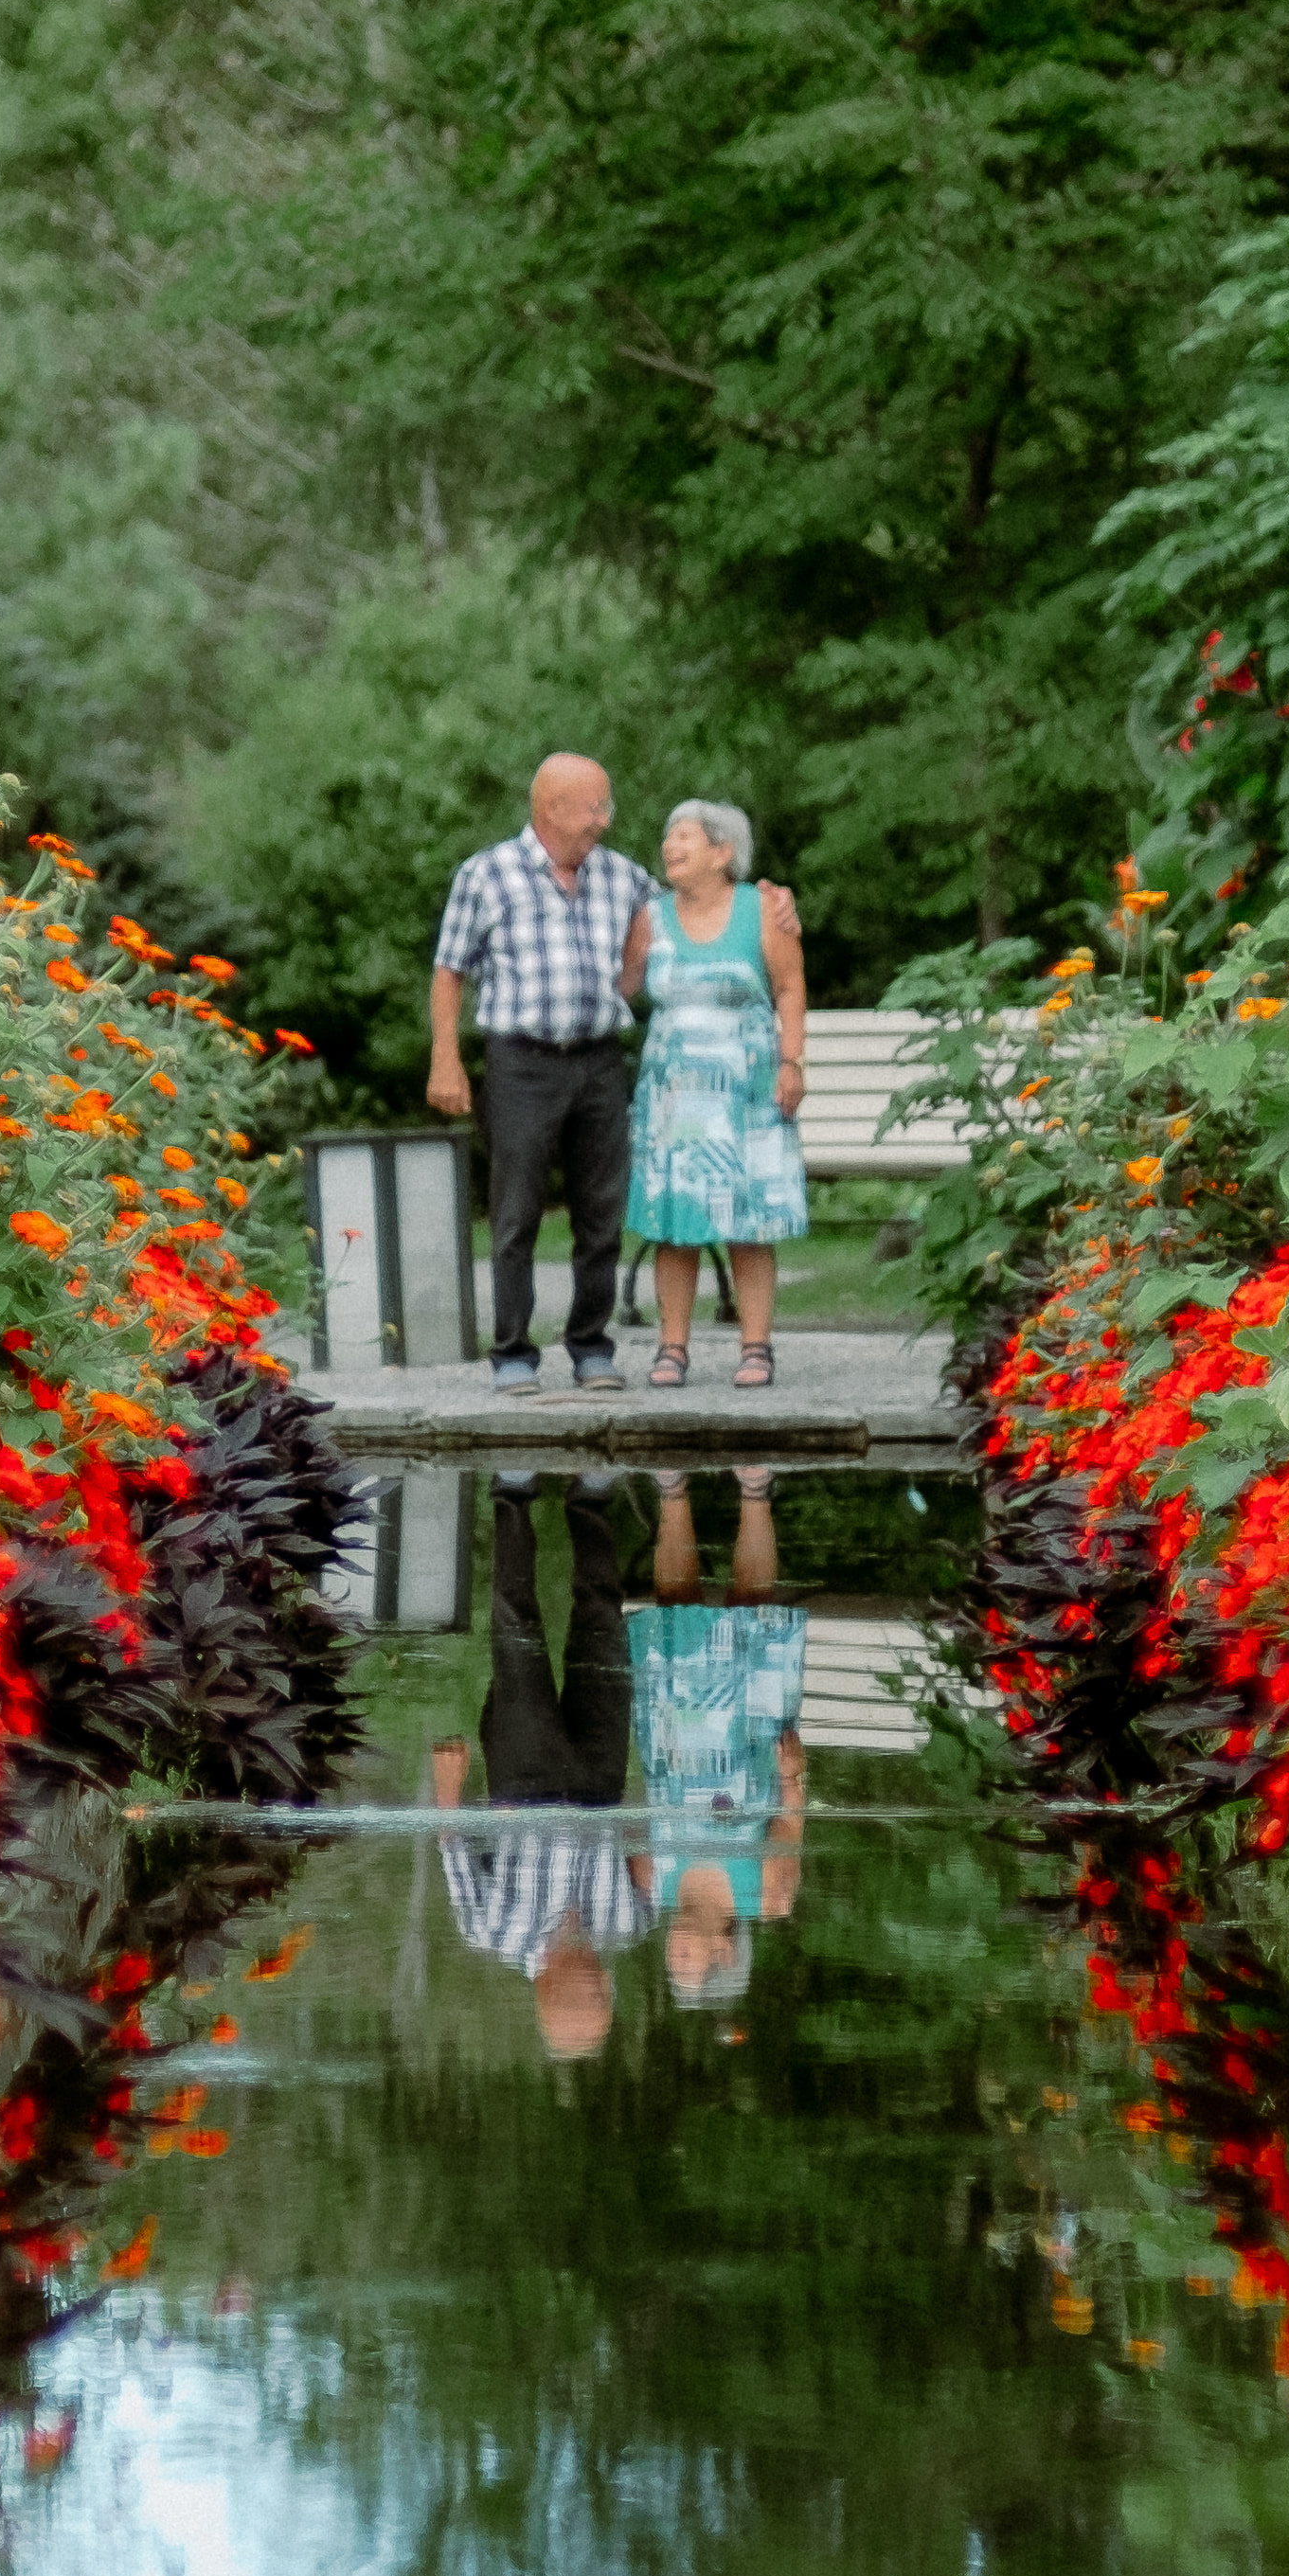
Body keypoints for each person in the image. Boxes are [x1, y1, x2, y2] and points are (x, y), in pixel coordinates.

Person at [423, 754, 655, 1395]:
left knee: (600, 1211)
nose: (606, 820)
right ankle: (513, 1352)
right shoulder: (487, 874)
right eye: (595, 807)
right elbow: (449, 970)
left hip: (599, 1058)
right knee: (516, 1211)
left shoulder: (624, 877)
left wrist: (769, 905)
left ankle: (590, 1346)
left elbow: (686, 914)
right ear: (551, 808)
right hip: (520, 1061)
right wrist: (445, 1058)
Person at [428, 1469, 650, 2057]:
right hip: (600, 1781)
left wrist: (448, 1788)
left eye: (593, 1993)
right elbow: (657, 1856)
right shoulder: (627, 1927)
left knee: (517, 1630)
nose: (606, 1981)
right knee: (603, 1626)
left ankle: (513, 1495)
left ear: (549, 1989)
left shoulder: (491, 1932)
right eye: (608, 1994)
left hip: (524, 1783)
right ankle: (591, 1500)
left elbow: (454, 1851)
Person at [618, 800, 809, 1390]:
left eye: (685, 837)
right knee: (675, 1225)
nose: (670, 847)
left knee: (748, 1221)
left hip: (746, 1092)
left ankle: (757, 1348)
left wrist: (792, 1062)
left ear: (723, 852)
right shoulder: (650, 917)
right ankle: (671, 1349)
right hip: (675, 1099)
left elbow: (790, 986)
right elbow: (622, 990)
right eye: (668, 836)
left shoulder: (762, 911)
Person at [626, 1465, 805, 2016]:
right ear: (725, 1952)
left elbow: (631, 1811)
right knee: (752, 1608)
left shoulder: (651, 1889)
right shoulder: (767, 1897)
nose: (672, 1953)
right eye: (687, 1962)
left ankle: (672, 1487)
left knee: (672, 1606)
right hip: (751, 1744)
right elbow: (790, 1822)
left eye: (671, 1963)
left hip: (672, 1740)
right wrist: (793, 1774)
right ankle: (754, 1488)